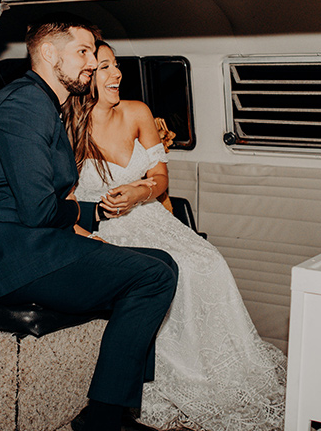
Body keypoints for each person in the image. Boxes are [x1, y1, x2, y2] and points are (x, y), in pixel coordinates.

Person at [0, 16, 178, 431]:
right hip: (15, 256)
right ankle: (103, 418)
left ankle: (116, 406)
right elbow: (38, 209)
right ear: (48, 54)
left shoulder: (44, 103)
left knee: (163, 263)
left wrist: (94, 212)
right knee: (153, 275)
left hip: (37, 242)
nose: (90, 62)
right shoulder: (24, 105)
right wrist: (91, 213)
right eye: (82, 52)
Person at [63, 41, 287, 431]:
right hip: (103, 224)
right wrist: (81, 229)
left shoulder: (138, 112)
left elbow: (161, 178)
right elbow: (60, 194)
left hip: (149, 215)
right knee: (173, 271)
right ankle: (167, 379)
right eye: (104, 68)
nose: (116, 74)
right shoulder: (67, 125)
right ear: (86, 78)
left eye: (116, 66)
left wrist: (140, 192)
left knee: (207, 261)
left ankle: (222, 370)